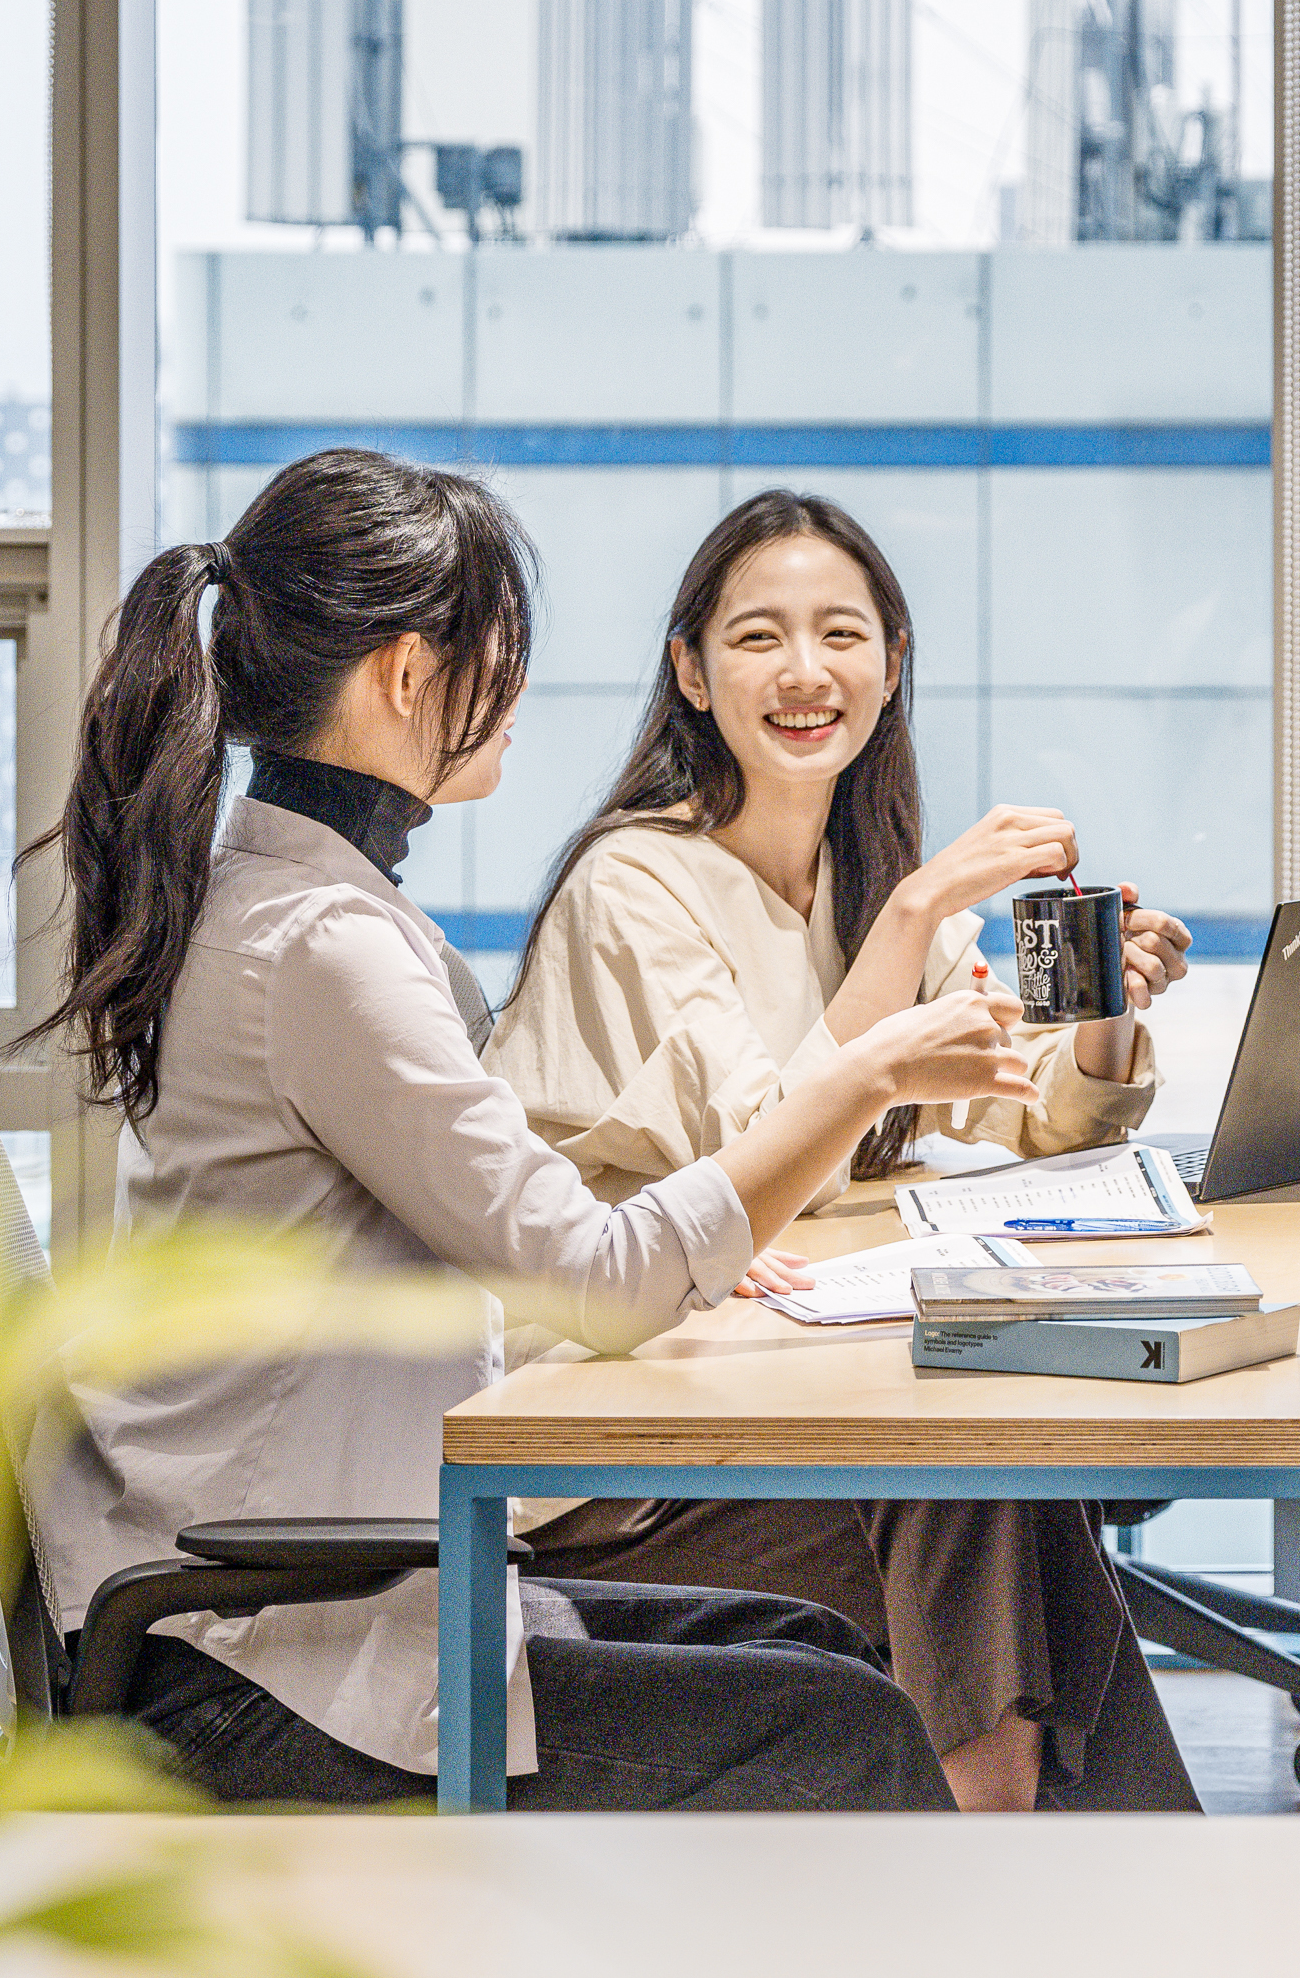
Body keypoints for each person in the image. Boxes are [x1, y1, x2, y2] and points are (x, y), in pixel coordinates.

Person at [24, 444, 1035, 1814]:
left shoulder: (292, 908)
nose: (519, 687)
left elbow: (523, 1235)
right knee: (841, 1723)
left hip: (295, 1594)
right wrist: (862, 1078)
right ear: (403, 674)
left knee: (815, 1653)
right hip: (270, 1658)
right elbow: (597, 1278)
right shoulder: (327, 948)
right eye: (501, 650)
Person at [485, 487, 1202, 1814]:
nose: (807, 671)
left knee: (1003, 1482)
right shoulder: (633, 886)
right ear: (691, 673)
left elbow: (1036, 1103)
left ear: (891, 662)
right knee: (977, 1479)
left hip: (772, 1395)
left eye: (842, 634)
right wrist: (924, 904)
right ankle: (1016, 1847)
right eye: (759, 637)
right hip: (612, 1455)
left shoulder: (868, 880)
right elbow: (775, 1147)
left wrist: (1104, 1015)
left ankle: (1047, 1853)